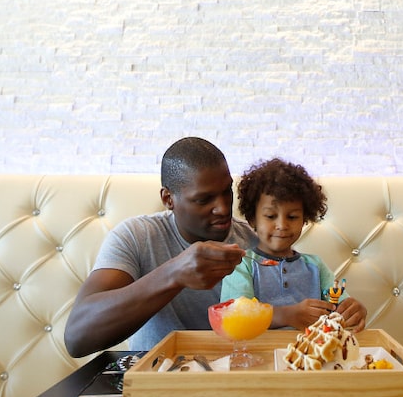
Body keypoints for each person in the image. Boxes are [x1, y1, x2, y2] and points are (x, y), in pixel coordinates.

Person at [64, 137, 258, 357]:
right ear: (168, 199)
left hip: (237, 376)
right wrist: (174, 274)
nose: (223, 209)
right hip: (156, 379)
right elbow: (76, 337)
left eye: (227, 192)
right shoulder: (137, 236)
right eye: (204, 200)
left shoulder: (252, 242)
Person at [220, 158, 367, 332]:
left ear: (305, 219)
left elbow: (339, 305)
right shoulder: (241, 264)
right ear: (252, 218)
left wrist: (354, 311)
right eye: (270, 216)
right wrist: (287, 315)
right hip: (258, 354)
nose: (282, 225)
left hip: (310, 354)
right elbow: (234, 316)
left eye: (292, 217)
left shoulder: (315, 266)